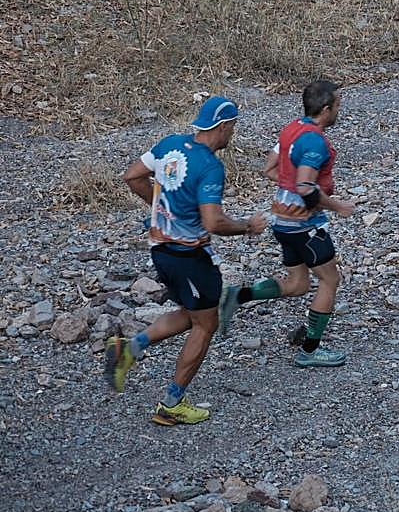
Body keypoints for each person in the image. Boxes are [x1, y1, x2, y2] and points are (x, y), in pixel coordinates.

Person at [106, 96, 266, 425]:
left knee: (193, 313)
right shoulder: (210, 166)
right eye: (232, 127)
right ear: (222, 126)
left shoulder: (170, 144)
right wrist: (247, 227)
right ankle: (171, 403)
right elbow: (213, 222)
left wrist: (160, 205)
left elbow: (133, 175)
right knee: (206, 324)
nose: (232, 134)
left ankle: (129, 349)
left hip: (160, 251)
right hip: (189, 256)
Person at [217, 80, 355, 366]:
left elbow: (270, 169)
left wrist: (291, 189)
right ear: (326, 109)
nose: (340, 110)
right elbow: (306, 186)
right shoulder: (315, 141)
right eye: (338, 105)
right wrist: (337, 205)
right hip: (306, 225)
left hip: (282, 221)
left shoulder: (291, 129)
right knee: (330, 280)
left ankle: (237, 295)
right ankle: (310, 351)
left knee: (298, 283)